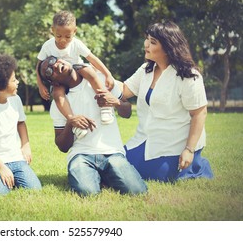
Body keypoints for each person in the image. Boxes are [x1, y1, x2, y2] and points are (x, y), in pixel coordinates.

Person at [96, 20, 213, 182]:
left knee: (138, 175)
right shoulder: (146, 70)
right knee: (114, 165)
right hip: (145, 139)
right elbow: (124, 90)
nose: (146, 45)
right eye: (147, 39)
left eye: (152, 42)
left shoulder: (188, 76)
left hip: (174, 145)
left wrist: (189, 150)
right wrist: (97, 75)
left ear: (168, 47)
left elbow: (200, 113)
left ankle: (197, 165)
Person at [39, 56, 148, 196]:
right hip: (81, 155)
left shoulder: (100, 79)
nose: (53, 66)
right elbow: (62, 146)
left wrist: (115, 102)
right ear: (53, 82)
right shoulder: (59, 104)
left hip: (112, 152)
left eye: (53, 60)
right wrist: (70, 123)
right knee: (87, 193)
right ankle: (100, 176)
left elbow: (126, 112)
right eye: (48, 71)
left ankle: (104, 175)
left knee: (137, 191)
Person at [36, 10, 115, 139]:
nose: (63, 40)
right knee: (57, 94)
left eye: (68, 37)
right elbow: (38, 66)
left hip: (76, 70)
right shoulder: (48, 46)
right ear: (52, 30)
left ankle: (105, 106)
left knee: (89, 70)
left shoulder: (76, 44)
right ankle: (73, 121)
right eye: (58, 36)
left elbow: (92, 59)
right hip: (59, 78)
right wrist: (40, 85)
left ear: (75, 32)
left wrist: (108, 74)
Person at [0, 53, 42, 194]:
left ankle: (11, 177)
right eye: (14, 80)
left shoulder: (15, 100)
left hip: (15, 159)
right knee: (0, 193)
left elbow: (20, 123)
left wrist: (25, 145)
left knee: (35, 189)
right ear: (0, 86)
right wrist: (1, 168)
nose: (17, 82)